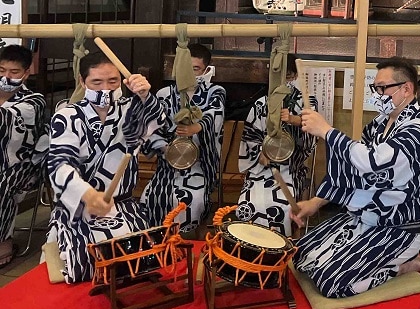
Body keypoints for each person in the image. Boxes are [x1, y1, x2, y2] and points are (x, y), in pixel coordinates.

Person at [291, 57, 420, 298]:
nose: (378, 93)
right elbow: (354, 171)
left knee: (332, 283)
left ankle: (402, 266)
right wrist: (315, 203)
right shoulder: (379, 125)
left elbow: (371, 162)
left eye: (383, 88)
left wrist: (327, 131)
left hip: (397, 227)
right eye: (376, 88)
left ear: (407, 88)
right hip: (364, 218)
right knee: (302, 256)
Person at [45, 51, 166, 283]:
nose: (106, 89)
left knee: (141, 266)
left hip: (123, 207)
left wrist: (145, 96)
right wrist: (88, 195)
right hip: (80, 210)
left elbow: (157, 121)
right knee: (86, 268)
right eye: (96, 82)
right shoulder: (67, 116)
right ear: (82, 82)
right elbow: (60, 163)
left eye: (113, 81)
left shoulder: (129, 110)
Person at [141, 43, 226, 233]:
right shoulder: (164, 94)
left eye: (195, 69)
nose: (190, 74)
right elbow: (152, 128)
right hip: (167, 166)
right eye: (186, 68)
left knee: (190, 200)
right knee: (151, 197)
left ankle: (183, 242)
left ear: (205, 70)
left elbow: (215, 115)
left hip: (198, 166)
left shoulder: (215, 92)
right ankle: (159, 243)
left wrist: (198, 127)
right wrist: (166, 148)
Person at [237, 54, 317, 237]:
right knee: (247, 203)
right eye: (280, 77)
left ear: (296, 76)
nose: (285, 81)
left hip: (291, 168)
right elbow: (250, 136)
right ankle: (251, 248)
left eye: (289, 76)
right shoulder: (260, 104)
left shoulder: (307, 101)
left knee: (281, 206)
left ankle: (281, 248)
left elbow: (312, 132)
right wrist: (260, 153)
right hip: (262, 168)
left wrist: (294, 120)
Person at [0, 44, 46, 267]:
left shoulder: (33, 101)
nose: (6, 76)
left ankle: (4, 242)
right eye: (1, 70)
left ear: (27, 72)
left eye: (14, 72)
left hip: (24, 164)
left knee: (1, 183)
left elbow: (7, 122)